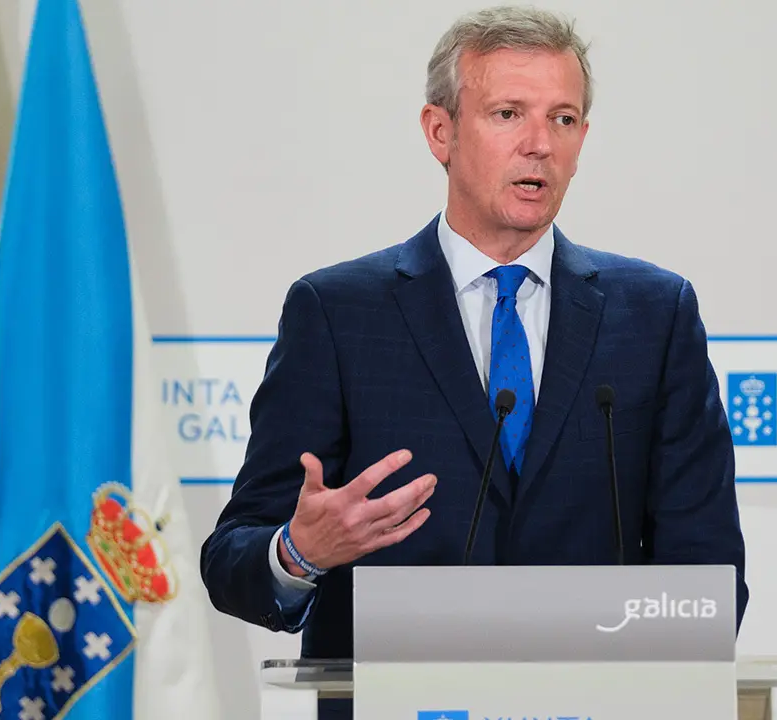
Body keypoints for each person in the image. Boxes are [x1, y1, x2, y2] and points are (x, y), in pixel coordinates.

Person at [199, 6, 748, 717]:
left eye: (563, 119)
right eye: (508, 113)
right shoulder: (337, 314)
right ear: (441, 132)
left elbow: (709, 577)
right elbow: (232, 563)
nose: (539, 145)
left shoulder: (655, 315)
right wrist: (300, 552)